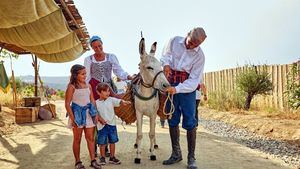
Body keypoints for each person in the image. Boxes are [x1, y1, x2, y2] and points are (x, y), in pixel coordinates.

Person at [160, 27, 206, 169]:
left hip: (187, 89)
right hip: (170, 82)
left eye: (195, 45)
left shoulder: (200, 56)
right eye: (190, 42)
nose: (191, 46)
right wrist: (166, 64)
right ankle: (176, 154)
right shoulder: (174, 41)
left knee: (190, 121)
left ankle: (191, 158)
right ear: (187, 34)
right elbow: (165, 54)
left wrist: (178, 89)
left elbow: (194, 81)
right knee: (172, 119)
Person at [84, 35, 133, 157]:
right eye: (95, 47)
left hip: (107, 88)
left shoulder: (111, 57)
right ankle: (97, 145)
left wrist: (128, 76)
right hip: (94, 87)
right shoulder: (88, 59)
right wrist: (86, 91)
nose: (98, 48)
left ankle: (105, 146)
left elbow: (118, 71)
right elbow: (87, 77)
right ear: (92, 48)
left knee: (107, 114)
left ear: (102, 44)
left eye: (99, 46)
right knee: (95, 115)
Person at [65, 64, 101, 169]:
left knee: (90, 138)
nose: (85, 75)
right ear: (75, 75)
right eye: (82, 74)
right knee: (77, 139)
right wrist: (72, 118)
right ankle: (78, 162)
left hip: (89, 114)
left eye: (85, 73)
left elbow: (92, 100)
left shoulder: (88, 86)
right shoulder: (71, 87)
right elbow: (67, 104)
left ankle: (93, 160)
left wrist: (96, 114)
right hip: (77, 115)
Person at [95, 82, 131, 165]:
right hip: (101, 126)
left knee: (112, 141)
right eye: (105, 91)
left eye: (108, 91)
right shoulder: (96, 103)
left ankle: (112, 157)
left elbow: (119, 101)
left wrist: (124, 102)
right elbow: (95, 113)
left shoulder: (111, 100)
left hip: (112, 125)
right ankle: (102, 157)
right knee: (102, 143)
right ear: (98, 92)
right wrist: (100, 120)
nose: (108, 93)